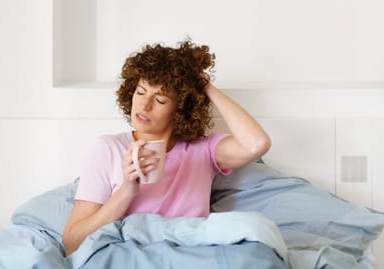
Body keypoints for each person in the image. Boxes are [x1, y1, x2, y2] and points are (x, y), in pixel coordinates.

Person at [63, 40, 271, 256]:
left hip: (190, 256)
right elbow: (72, 243)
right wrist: (126, 191)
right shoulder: (109, 148)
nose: (144, 105)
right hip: (132, 257)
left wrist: (204, 86)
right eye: (140, 91)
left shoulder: (203, 150)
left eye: (160, 100)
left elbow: (257, 144)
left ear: (180, 110)